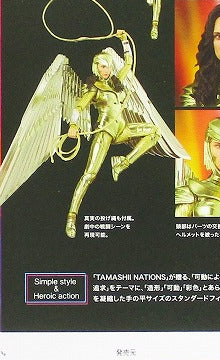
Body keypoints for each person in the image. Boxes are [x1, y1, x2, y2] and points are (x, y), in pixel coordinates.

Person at [65, 35, 160, 237]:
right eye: (101, 66)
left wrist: (124, 40)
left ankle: (122, 163)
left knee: (154, 132)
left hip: (122, 129)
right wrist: (73, 124)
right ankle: (72, 217)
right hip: (105, 131)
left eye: (107, 66)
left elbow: (129, 63)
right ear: (96, 68)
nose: (105, 69)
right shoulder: (95, 88)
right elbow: (80, 105)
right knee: (89, 175)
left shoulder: (116, 82)